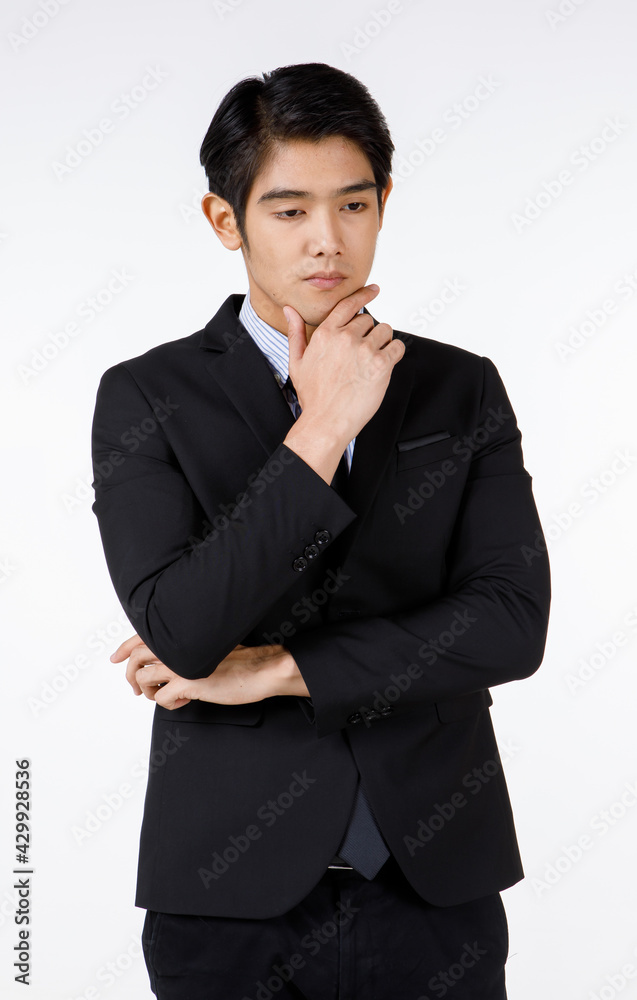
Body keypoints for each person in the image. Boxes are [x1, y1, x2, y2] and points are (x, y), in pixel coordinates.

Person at [91, 62, 551, 999]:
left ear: (384, 201)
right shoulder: (146, 395)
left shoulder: (461, 386)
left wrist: (275, 669)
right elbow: (180, 628)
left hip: (433, 883)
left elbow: (510, 622)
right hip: (225, 897)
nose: (326, 242)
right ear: (227, 221)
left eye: (352, 204)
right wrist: (321, 429)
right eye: (289, 211)